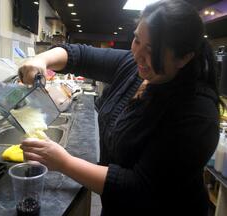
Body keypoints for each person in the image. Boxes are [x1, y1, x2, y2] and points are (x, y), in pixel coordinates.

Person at [19, 0, 224, 215]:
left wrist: (65, 163)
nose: (137, 56)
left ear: (184, 58)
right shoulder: (136, 67)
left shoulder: (196, 114)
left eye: (152, 50)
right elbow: (81, 55)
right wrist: (41, 59)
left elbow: (140, 189)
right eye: (136, 40)